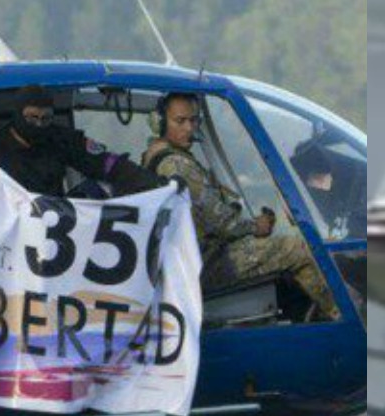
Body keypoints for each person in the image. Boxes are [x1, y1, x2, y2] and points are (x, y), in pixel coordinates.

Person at [143, 92, 341, 321]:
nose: (189, 128)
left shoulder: (155, 157)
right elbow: (222, 223)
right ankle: (344, 321)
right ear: (160, 122)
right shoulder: (175, 164)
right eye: (180, 121)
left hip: (189, 261)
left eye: (194, 120)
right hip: (205, 264)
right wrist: (256, 227)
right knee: (299, 249)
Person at [0, 85, 161, 197]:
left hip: (56, 223)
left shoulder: (59, 139)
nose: (39, 124)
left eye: (45, 118)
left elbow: (108, 164)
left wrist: (158, 184)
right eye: (32, 118)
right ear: (17, 114)